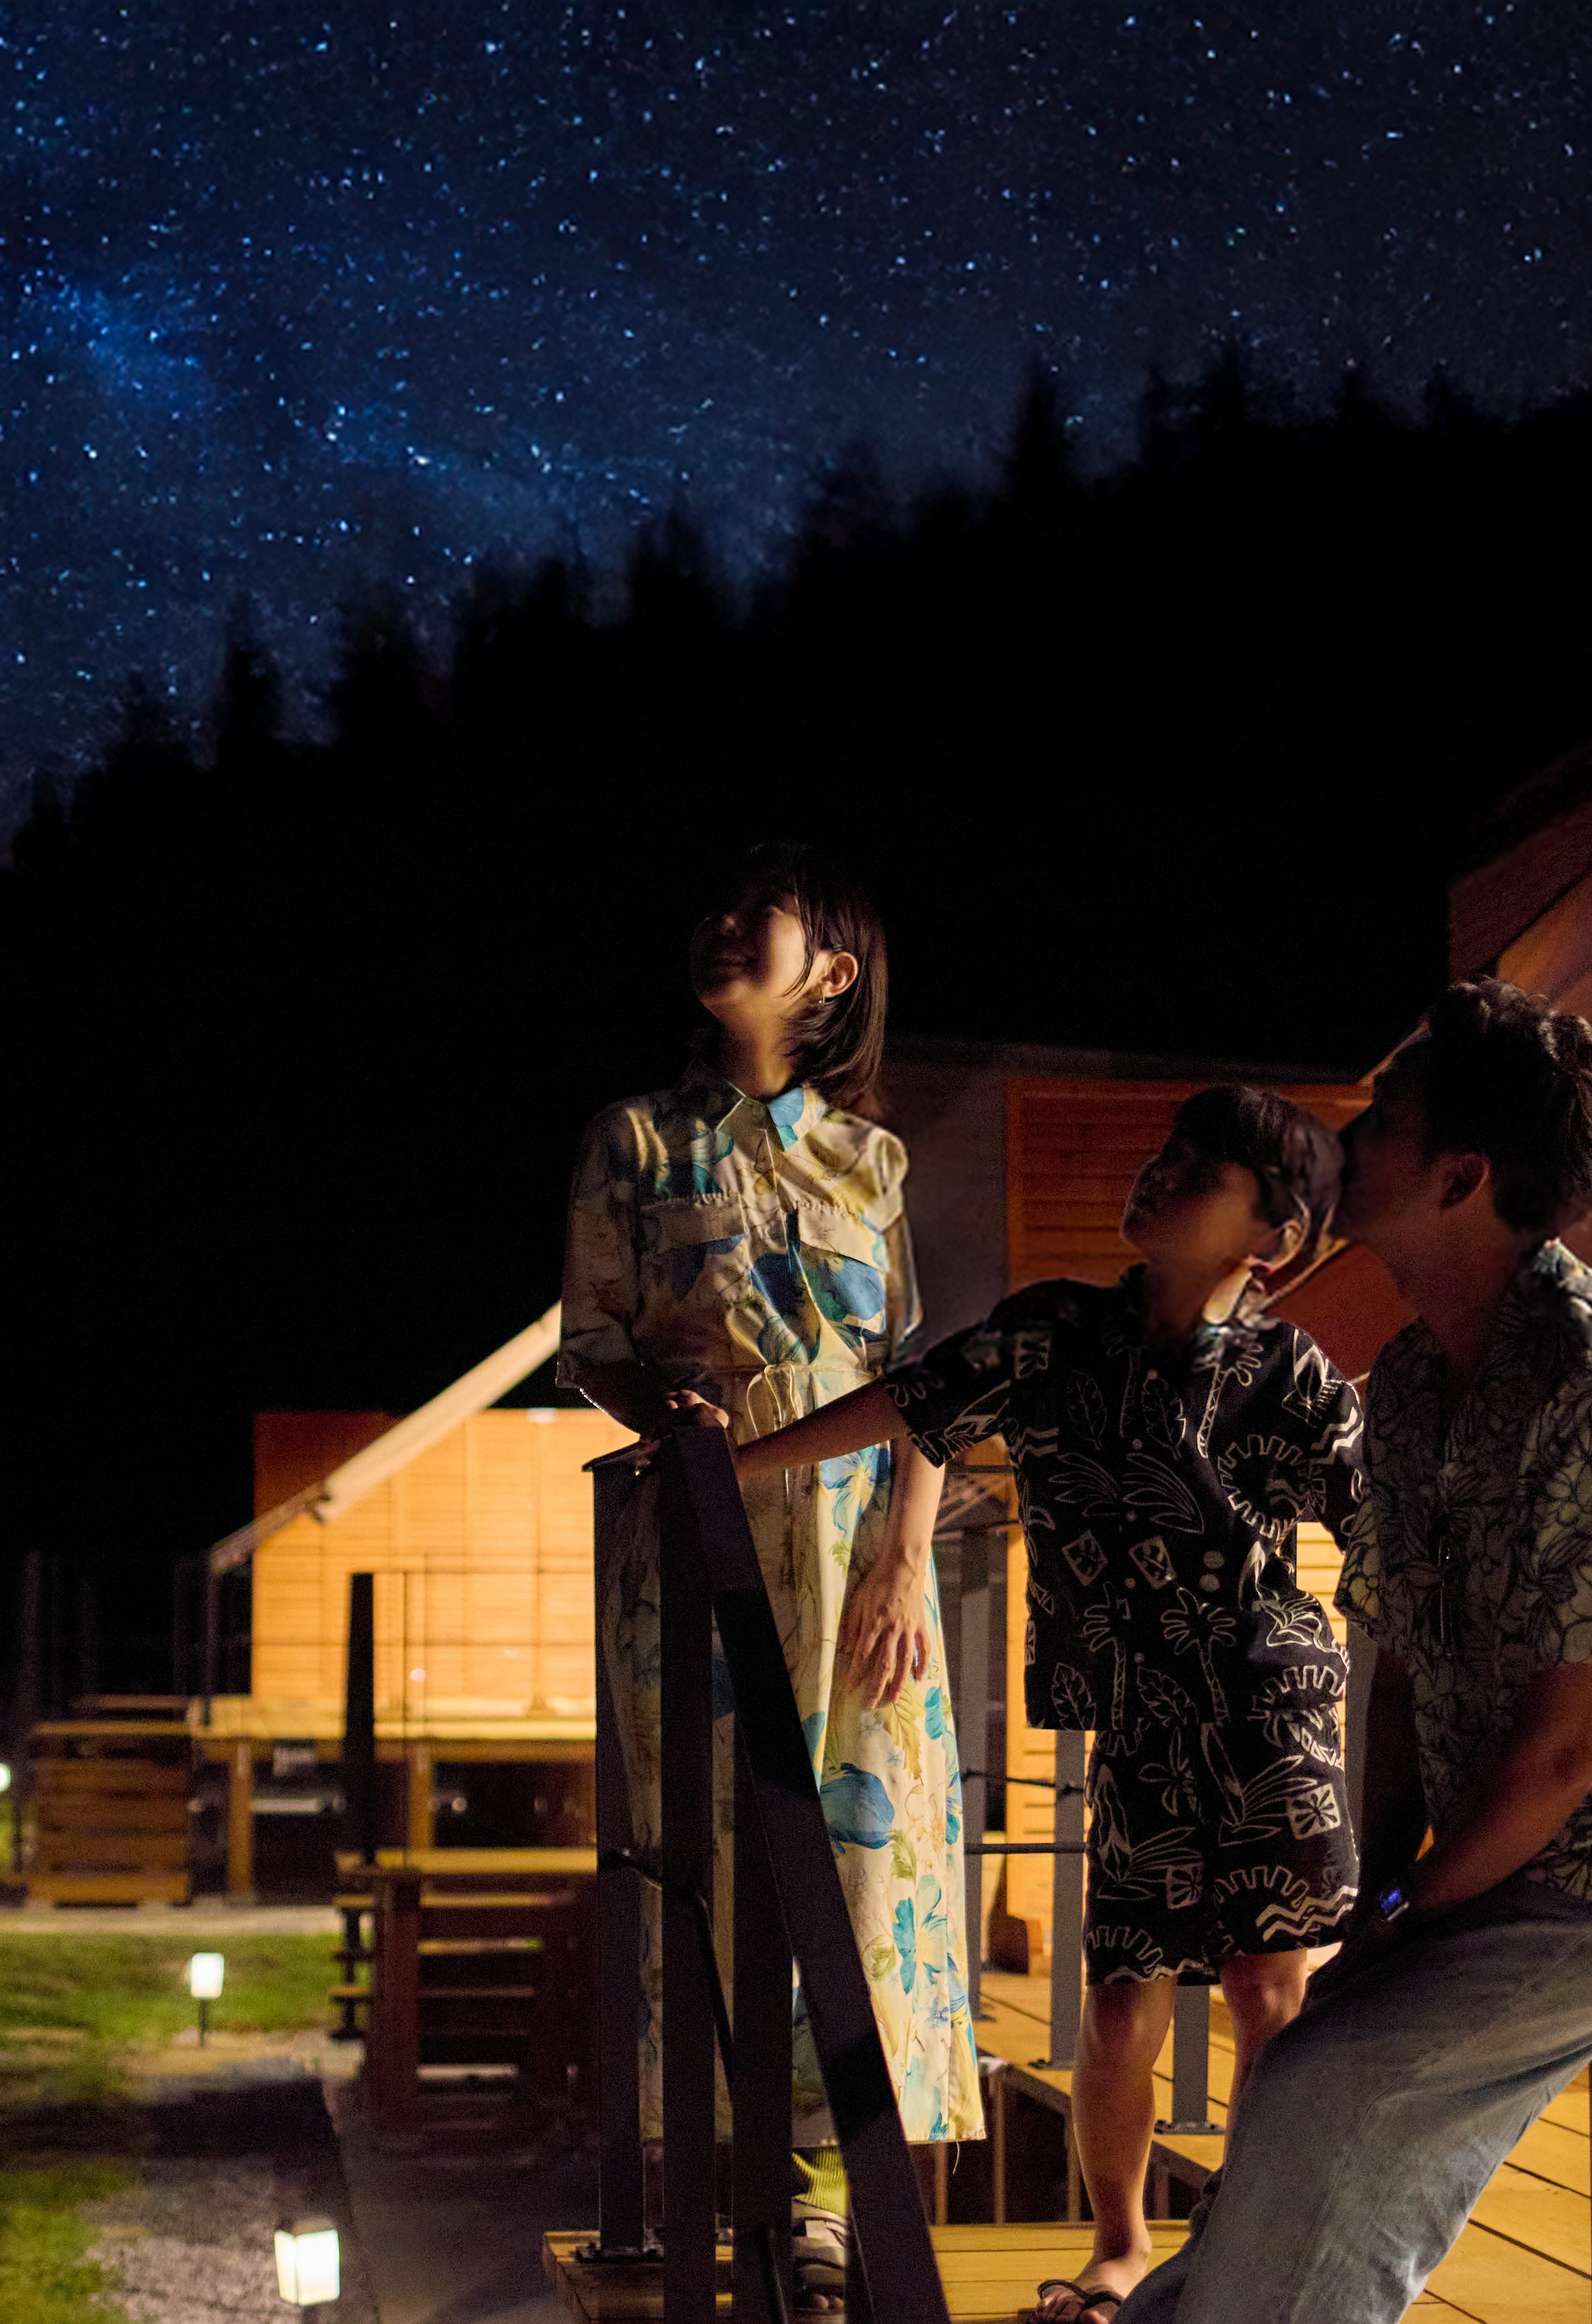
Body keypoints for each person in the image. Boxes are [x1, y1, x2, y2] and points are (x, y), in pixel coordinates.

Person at [1114, 979, 1592, 2324]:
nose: (1349, 1135)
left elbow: (1574, 1747)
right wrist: (1369, 1887)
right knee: (1313, 2072)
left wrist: (1411, 1915)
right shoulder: (1420, 1380)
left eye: (1384, 1117)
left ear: (1460, 1178)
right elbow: (1398, 1656)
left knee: (1342, 2085)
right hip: (1523, 1836)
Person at [737, 1086, 1366, 2324]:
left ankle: (1245, 2245)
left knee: (1269, 1987)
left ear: (1271, 1236)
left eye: (1201, 1170)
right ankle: (1120, 2248)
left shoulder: (1292, 1374)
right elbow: (913, 1404)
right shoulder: (1054, 1337)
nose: (1159, 1171)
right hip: (1139, 1708)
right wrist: (728, 1460)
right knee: (1123, 1990)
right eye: (1169, 1150)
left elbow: (1388, 1538)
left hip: (1272, 1706)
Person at [560, 846, 982, 2315]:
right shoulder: (636, 1139)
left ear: (834, 976)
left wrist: (908, 1559)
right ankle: (778, 2200)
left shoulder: (876, 1162)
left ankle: (871, 2198)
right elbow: (593, 1340)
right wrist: (661, 1421)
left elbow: (927, 1378)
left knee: (871, 1870)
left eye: (764, 918)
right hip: (704, 1538)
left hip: (860, 1541)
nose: (723, 926)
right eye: (716, 909)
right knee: (725, 1859)